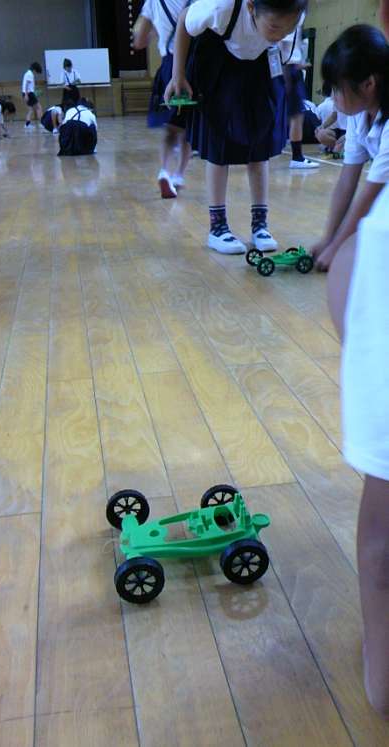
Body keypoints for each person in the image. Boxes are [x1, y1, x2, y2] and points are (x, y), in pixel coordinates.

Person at [325, 2, 389, 718]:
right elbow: (346, 184)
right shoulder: (366, 120)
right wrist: (327, 243)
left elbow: (366, 206)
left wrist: (340, 252)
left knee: (379, 538)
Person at [165, 0, 308, 255]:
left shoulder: (293, 11)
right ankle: (217, 227)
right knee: (219, 147)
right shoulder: (223, 7)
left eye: (288, 29)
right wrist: (178, 75)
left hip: (260, 66)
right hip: (218, 63)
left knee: (260, 146)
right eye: (275, 27)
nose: (281, 34)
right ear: (252, 7)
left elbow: (284, 44)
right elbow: (185, 18)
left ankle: (260, 224)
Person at [311, 25, 389, 271]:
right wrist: (329, 238)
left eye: (337, 89)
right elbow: (347, 181)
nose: (333, 97)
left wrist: (336, 247)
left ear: (368, 84)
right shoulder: (358, 114)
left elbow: (372, 193)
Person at [134, 0, 192, 199]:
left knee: (171, 128)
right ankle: (179, 175)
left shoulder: (153, 2)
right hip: (194, 65)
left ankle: (165, 171)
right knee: (188, 128)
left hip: (169, 66)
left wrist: (156, 32)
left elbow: (139, 41)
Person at [280, 11, 319, 169]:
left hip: (290, 66)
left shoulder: (300, 11)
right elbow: (283, 40)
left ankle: (297, 157)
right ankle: (296, 157)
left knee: (297, 114)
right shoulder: (293, 9)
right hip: (287, 68)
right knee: (295, 115)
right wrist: (286, 71)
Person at [315, 83, 347, 155]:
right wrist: (322, 127)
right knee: (320, 133)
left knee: (338, 149)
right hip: (339, 130)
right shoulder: (337, 102)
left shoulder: (352, 102)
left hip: (350, 131)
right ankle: (336, 147)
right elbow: (333, 116)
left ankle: (338, 147)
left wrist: (347, 135)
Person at [22, 62, 43, 129]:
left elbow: (28, 85)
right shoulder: (30, 74)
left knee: (30, 109)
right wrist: (26, 95)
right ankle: (42, 123)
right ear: (35, 69)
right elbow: (26, 85)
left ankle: (27, 125)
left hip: (27, 93)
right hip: (29, 94)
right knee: (39, 107)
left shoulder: (27, 73)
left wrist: (26, 94)